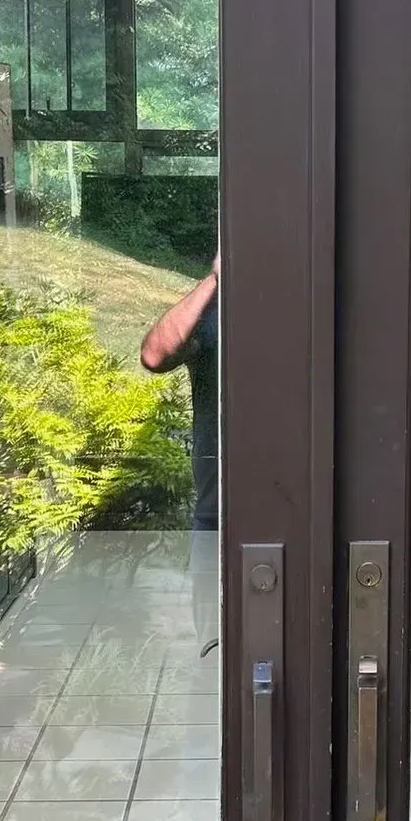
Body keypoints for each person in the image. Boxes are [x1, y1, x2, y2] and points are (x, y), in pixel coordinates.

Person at [142, 256, 219, 651]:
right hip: (218, 515)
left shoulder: (313, 305)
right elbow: (155, 354)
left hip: (297, 513)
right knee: (214, 646)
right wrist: (215, 279)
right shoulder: (215, 311)